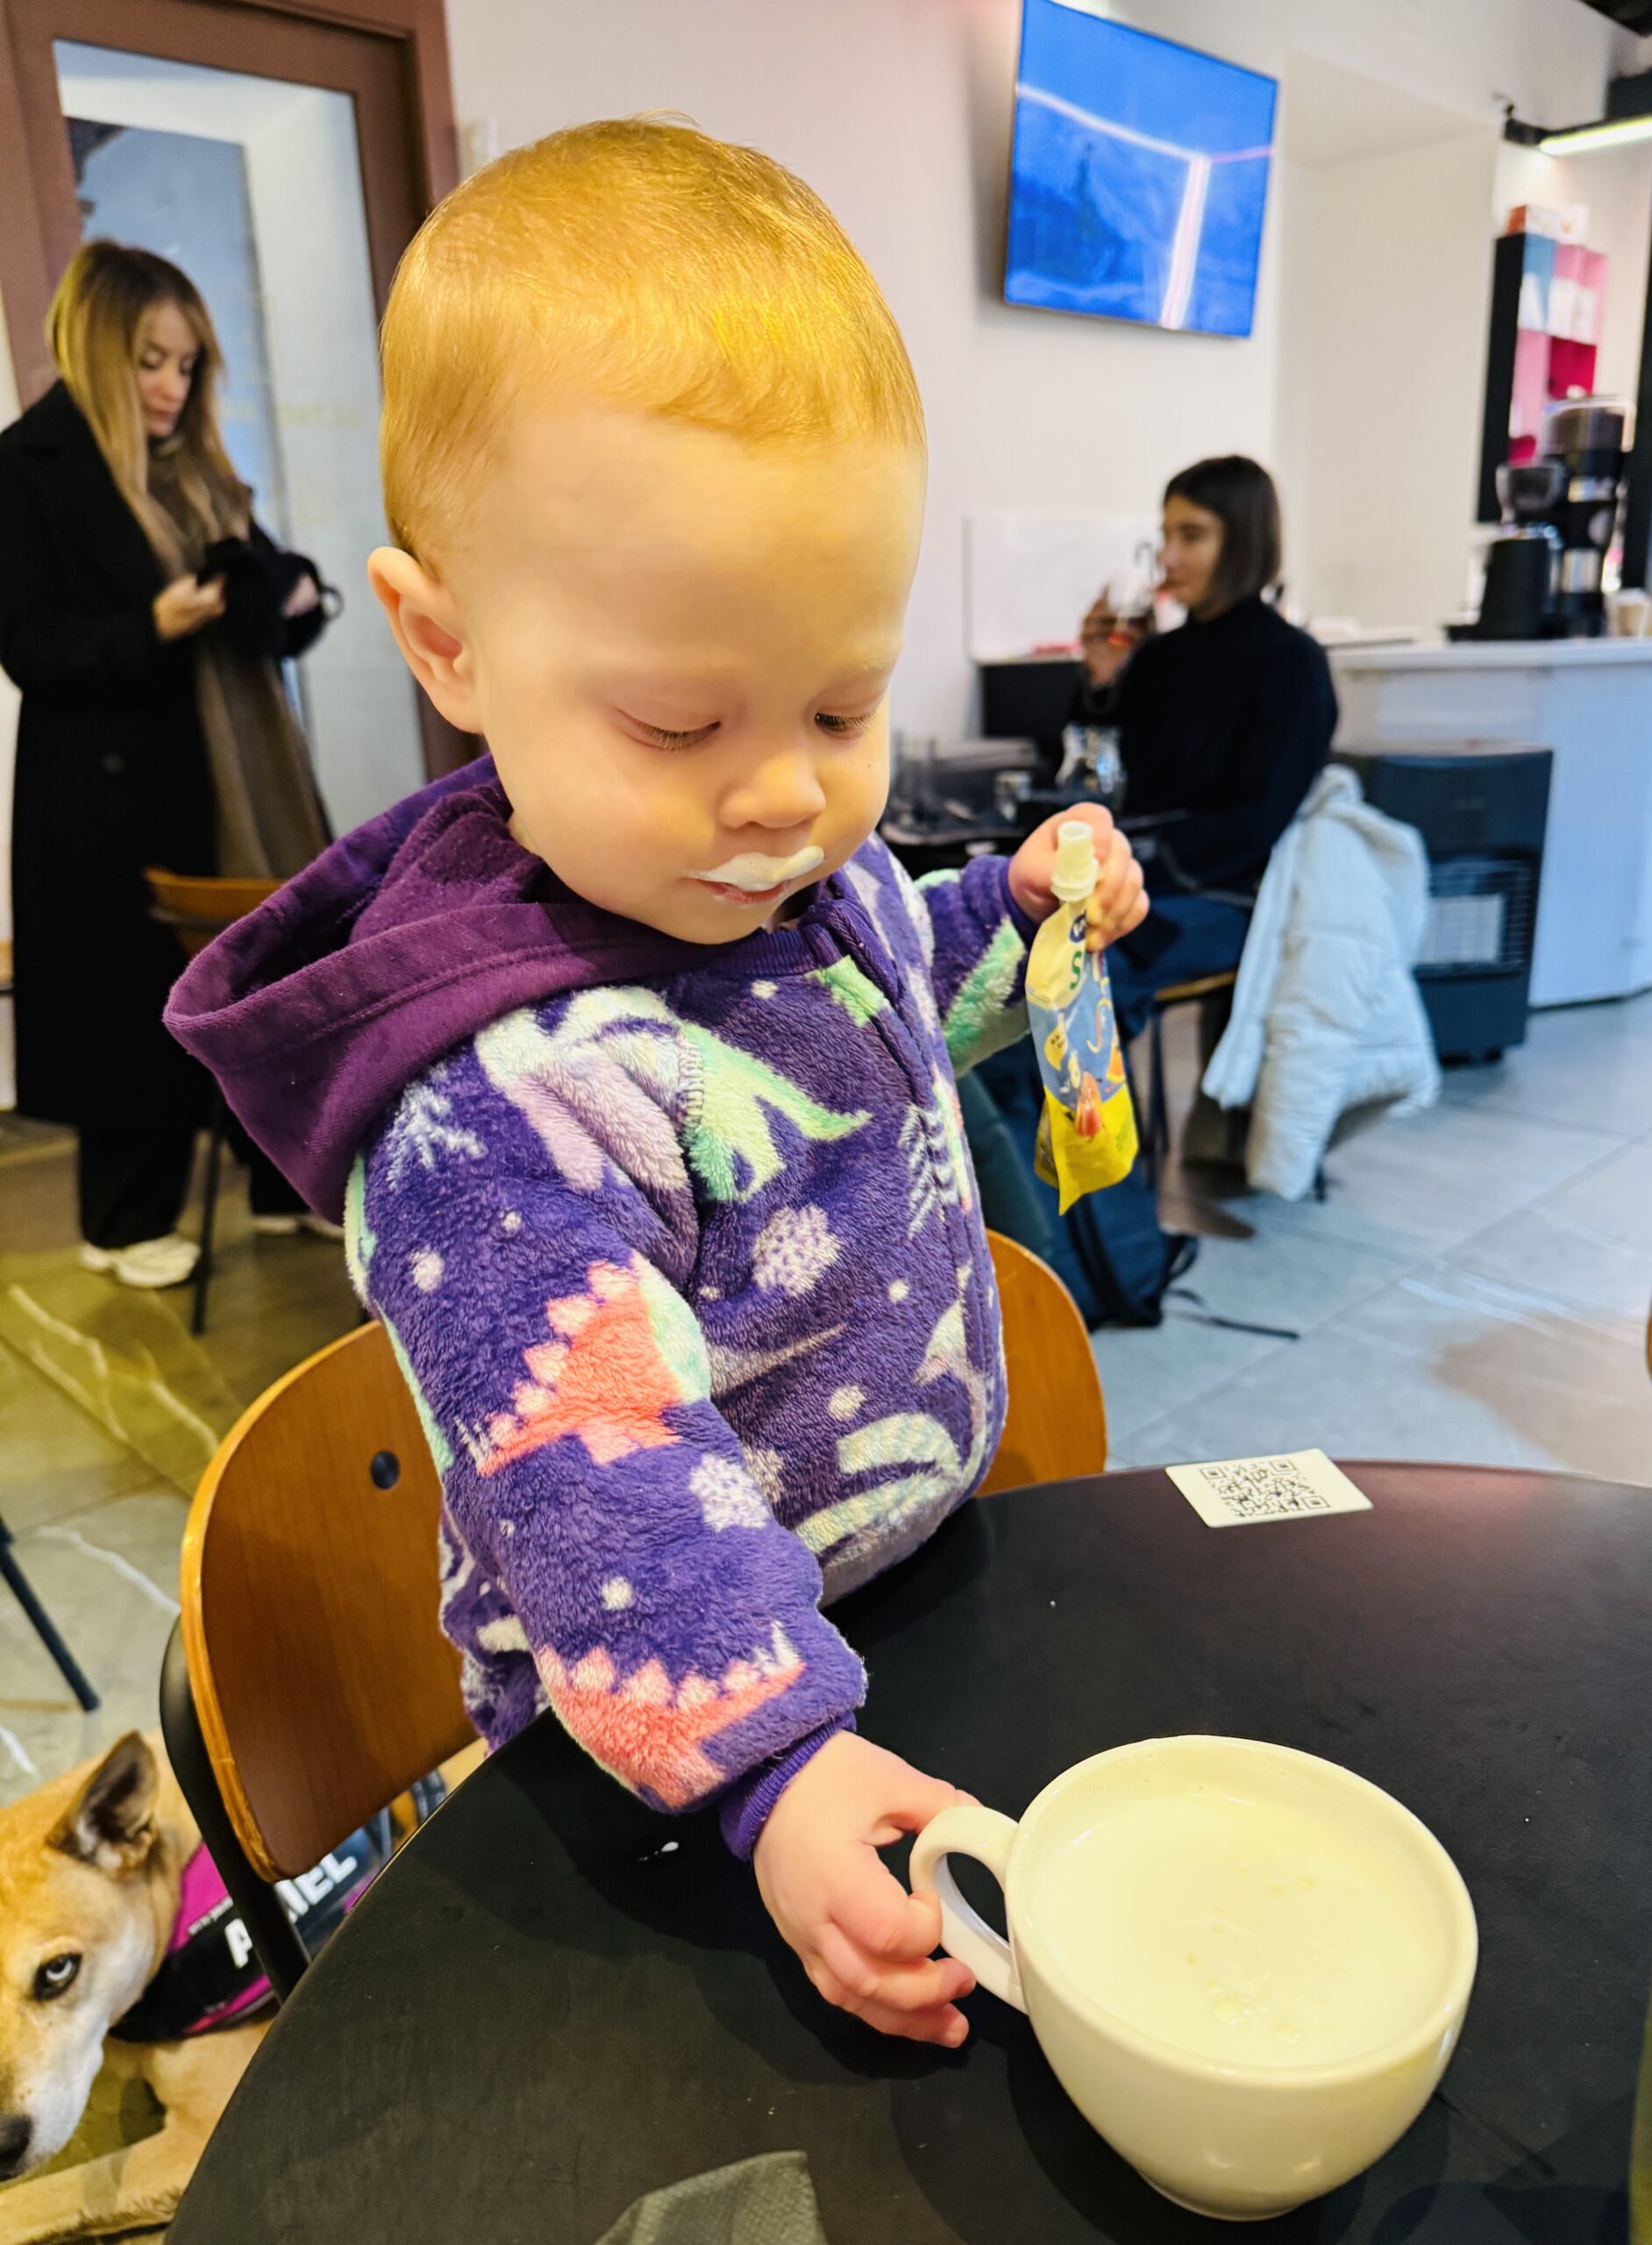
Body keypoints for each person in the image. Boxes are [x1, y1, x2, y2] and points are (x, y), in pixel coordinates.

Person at [167, 119, 1147, 2051]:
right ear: (448, 643)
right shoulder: (500, 1105)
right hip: (677, 1729)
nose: (786, 788)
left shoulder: (775, 861)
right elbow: (604, 1490)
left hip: (908, 1589)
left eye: (843, 707)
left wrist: (1003, 912)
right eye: (684, 719)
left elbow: (877, 1002)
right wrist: (775, 1773)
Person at [0, 242, 337, 1289]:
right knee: (133, 999)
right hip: (108, 788)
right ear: (98, 352)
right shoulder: (28, 467)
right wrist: (153, 622)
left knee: (264, 965)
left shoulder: (196, 471)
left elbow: (260, 595)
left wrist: (289, 596)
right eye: (150, 360)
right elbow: (31, 646)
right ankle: (123, 1216)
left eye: (187, 366)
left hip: (234, 774)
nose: (170, 386)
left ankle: (280, 1182)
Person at [1072, 455, 1337, 1037]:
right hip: (1146, 878)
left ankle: (1079, 1128)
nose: (1168, 558)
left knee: (1075, 971)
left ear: (1243, 539)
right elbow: (1099, 778)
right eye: (1166, 536)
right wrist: (1103, 682)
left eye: (1191, 536)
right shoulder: (1161, 657)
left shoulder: (1290, 663)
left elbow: (1255, 822)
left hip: (1232, 898)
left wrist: (1137, 868)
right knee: (1016, 951)